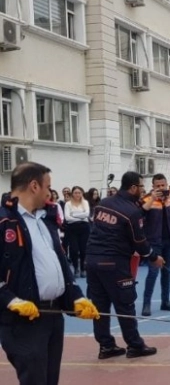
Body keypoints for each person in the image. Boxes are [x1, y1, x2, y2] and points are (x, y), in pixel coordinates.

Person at [0, 162, 100, 385]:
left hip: (53, 317)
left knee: (49, 380)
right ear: (34, 186)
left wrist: (76, 297)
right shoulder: (4, 221)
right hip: (24, 319)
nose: (50, 193)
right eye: (48, 187)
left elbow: (61, 265)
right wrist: (11, 301)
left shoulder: (45, 220)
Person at [86, 171, 165, 359]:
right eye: (142, 187)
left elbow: (124, 213)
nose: (143, 190)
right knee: (125, 304)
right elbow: (139, 241)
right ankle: (135, 345)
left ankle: (105, 346)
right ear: (133, 188)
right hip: (114, 263)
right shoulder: (132, 212)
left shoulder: (103, 203)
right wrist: (154, 257)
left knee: (100, 306)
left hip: (91, 261)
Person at [140, 173, 170, 316]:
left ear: (166, 185)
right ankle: (146, 304)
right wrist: (153, 198)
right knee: (153, 273)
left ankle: (165, 301)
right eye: (158, 186)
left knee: (166, 272)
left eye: (163, 185)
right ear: (153, 186)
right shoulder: (147, 198)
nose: (161, 188)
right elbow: (142, 211)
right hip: (154, 241)